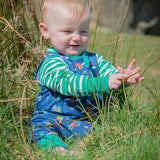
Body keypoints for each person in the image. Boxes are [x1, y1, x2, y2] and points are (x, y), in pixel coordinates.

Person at [30, 0, 145, 155]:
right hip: (51, 118)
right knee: (41, 131)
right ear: (46, 31)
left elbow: (110, 77)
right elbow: (69, 83)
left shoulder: (94, 59)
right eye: (67, 31)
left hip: (84, 120)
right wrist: (104, 82)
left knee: (101, 132)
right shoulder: (50, 63)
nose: (77, 38)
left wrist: (122, 79)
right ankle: (58, 151)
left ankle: (82, 149)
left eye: (83, 31)